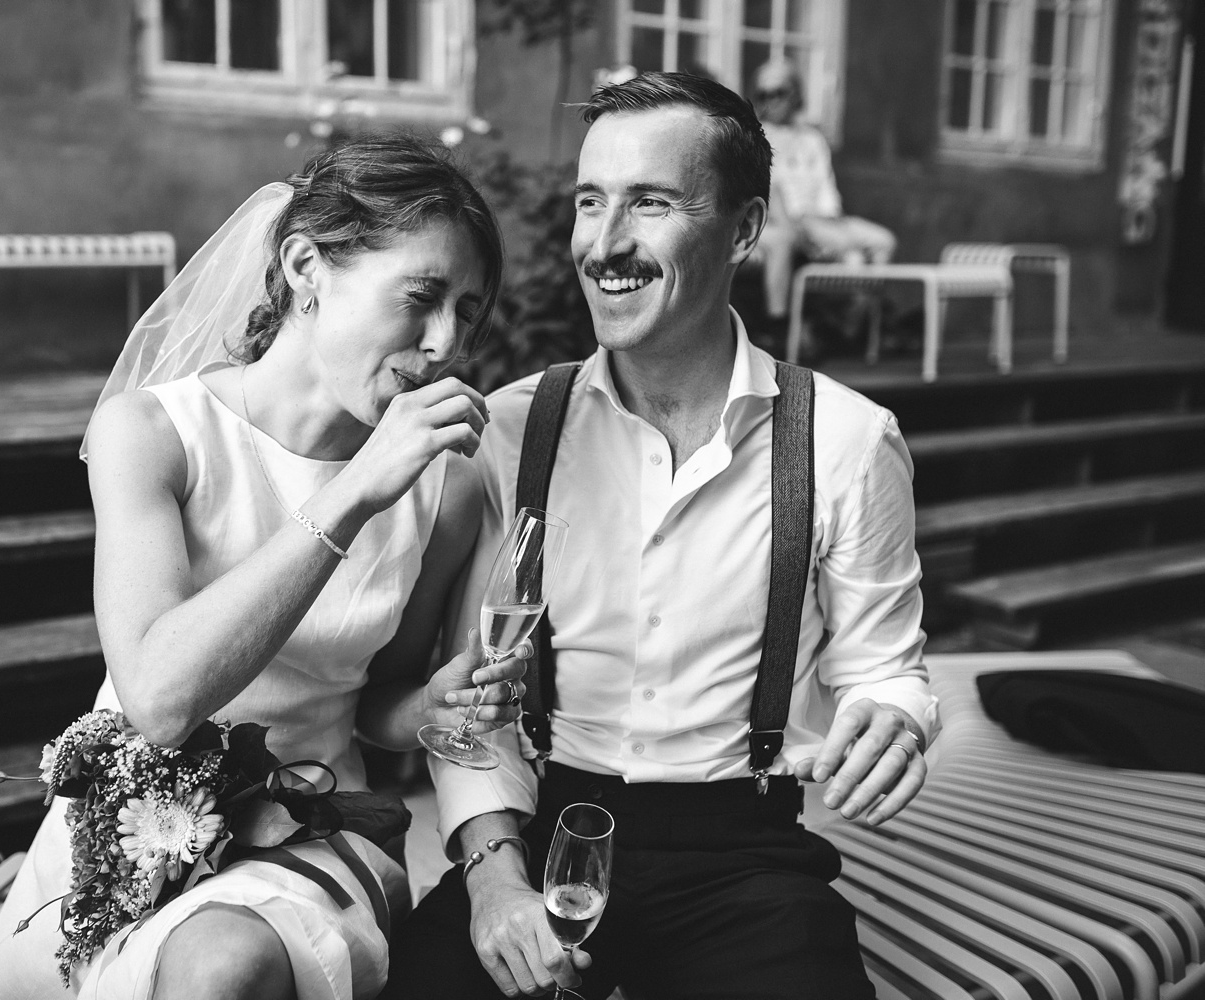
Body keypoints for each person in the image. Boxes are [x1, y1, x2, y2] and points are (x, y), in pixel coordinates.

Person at [383, 72, 936, 1000]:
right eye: (591, 203)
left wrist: (897, 719)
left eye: (650, 203)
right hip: (536, 835)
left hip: (745, 859)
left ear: (746, 228)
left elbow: (888, 669)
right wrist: (493, 882)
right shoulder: (511, 433)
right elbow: (464, 707)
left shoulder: (846, 440)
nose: (604, 245)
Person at [0, 135, 530, 1000]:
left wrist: (428, 705)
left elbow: (375, 708)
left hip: (312, 832)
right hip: (132, 823)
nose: (446, 340)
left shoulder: (447, 494)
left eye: (469, 311)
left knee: (221, 967)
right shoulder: (153, 436)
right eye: (422, 297)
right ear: (306, 264)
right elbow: (158, 698)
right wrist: (353, 494)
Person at [748, 59, 898, 323]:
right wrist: (801, 227)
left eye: (779, 92)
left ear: (795, 93)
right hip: (796, 220)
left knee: (884, 241)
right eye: (764, 94)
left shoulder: (812, 138)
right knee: (853, 256)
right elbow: (772, 191)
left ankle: (859, 317)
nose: (772, 101)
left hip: (827, 218)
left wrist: (833, 217)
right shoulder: (759, 138)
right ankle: (853, 328)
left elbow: (826, 186)